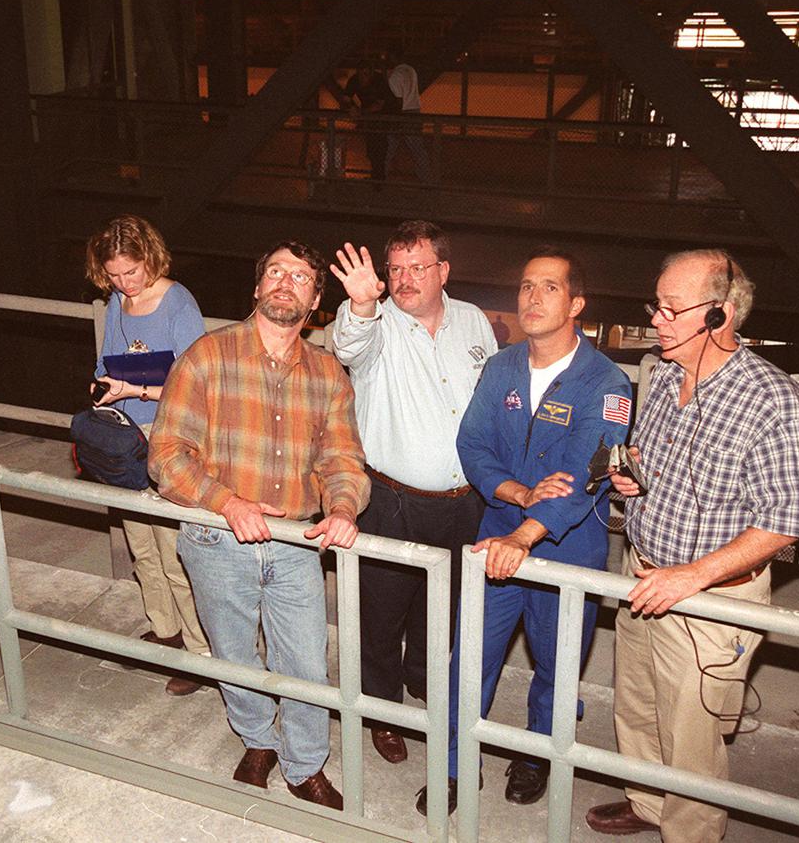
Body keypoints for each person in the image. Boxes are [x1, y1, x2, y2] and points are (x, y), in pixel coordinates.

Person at [586, 250, 799, 842]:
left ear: (719, 316)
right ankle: (646, 802)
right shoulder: (663, 373)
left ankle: (690, 833)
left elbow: (787, 519)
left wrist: (691, 577)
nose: (657, 319)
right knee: (637, 707)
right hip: (641, 575)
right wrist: (632, 476)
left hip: (708, 601)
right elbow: (657, 463)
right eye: (655, 304)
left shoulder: (772, 398)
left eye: (671, 308)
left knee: (692, 734)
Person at [149, 240, 370, 810]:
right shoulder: (207, 356)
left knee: (304, 661)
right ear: (256, 287)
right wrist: (227, 502)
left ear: (316, 301)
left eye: (300, 277)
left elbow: (341, 461)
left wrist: (343, 507)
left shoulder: (329, 374)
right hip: (216, 535)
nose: (285, 282)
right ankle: (257, 741)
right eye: (275, 271)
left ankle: (304, 764)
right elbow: (167, 454)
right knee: (232, 654)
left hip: (296, 540)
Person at [426, 246, 632, 817]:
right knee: (469, 657)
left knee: (557, 664)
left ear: (577, 304)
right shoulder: (502, 367)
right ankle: (451, 762)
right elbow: (474, 443)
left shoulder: (607, 383)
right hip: (497, 537)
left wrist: (528, 534)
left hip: (568, 550)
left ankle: (538, 754)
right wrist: (514, 497)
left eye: (548, 287)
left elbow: (587, 470)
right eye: (525, 286)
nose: (532, 297)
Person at [328, 221, 495, 765]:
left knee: (441, 608)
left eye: (417, 268)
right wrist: (359, 303)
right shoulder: (377, 324)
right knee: (379, 612)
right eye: (395, 269)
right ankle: (380, 710)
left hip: (465, 502)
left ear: (443, 271)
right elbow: (348, 343)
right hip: (392, 500)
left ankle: (424, 683)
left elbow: (494, 399)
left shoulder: (473, 321)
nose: (404, 280)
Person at [85, 214, 210, 697]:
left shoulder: (179, 302)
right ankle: (165, 630)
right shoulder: (117, 301)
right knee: (141, 544)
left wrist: (133, 387)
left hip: (167, 435)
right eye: (114, 276)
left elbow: (194, 383)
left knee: (174, 550)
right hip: (124, 436)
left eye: (131, 273)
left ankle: (199, 653)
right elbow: (105, 358)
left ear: (150, 259)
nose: (124, 285)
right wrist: (100, 384)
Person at [344, 62, 397, 183]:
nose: (364, 77)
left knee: (381, 146)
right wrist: (351, 107)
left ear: (371, 73)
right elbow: (346, 98)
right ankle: (376, 174)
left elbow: (380, 104)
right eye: (361, 74)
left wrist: (361, 112)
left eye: (367, 74)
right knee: (371, 147)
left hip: (384, 114)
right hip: (369, 116)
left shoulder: (378, 81)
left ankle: (379, 176)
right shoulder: (354, 80)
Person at [385, 58, 431, 183]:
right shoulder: (411, 70)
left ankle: (381, 175)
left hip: (402, 112)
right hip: (414, 110)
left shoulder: (395, 75)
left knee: (388, 147)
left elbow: (398, 100)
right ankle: (426, 178)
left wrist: (395, 119)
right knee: (417, 148)